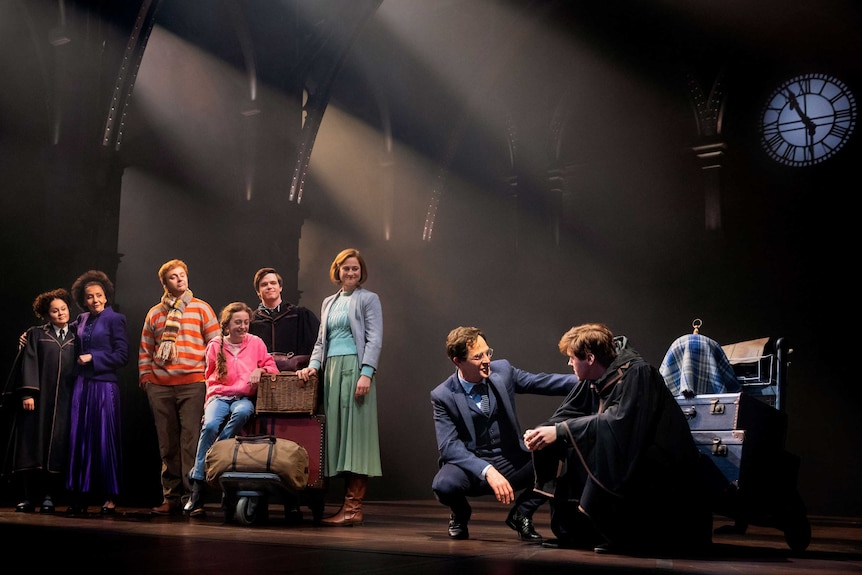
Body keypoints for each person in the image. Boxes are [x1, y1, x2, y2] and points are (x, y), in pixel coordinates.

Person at [524, 323, 713, 555]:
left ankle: (623, 536)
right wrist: (542, 431)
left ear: (590, 358)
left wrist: (562, 430)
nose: (569, 363)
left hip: (657, 460)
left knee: (593, 446)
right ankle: (579, 533)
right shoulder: (591, 380)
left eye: (572, 358)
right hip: (626, 447)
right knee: (563, 445)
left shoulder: (638, 373)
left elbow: (620, 422)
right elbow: (568, 414)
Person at [430, 326, 576, 542]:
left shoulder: (502, 370)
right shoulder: (443, 395)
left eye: (488, 353)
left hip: (510, 459)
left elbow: (542, 382)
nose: (486, 360)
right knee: (444, 485)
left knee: (561, 454)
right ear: (457, 361)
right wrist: (487, 470)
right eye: (477, 356)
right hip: (472, 466)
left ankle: (522, 513)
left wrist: (590, 376)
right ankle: (461, 514)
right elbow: (449, 446)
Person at [296, 248, 382, 527]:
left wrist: (366, 373)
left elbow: (374, 339)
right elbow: (321, 342)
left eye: (355, 268)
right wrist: (314, 366)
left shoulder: (369, 299)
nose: (351, 273)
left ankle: (353, 508)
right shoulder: (329, 302)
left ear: (361, 272)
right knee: (337, 438)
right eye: (346, 268)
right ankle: (342, 505)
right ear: (337, 270)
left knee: (356, 436)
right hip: (332, 374)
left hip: (355, 370)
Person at [138, 259, 220, 515]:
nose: (179, 280)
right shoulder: (155, 313)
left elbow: (216, 347)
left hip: (193, 384)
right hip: (161, 386)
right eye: (173, 277)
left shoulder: (201, 309)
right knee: (167, 444)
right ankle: (171, 497)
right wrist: (146, 379)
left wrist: (212, 380)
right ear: (164, 283)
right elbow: (146, 349)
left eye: (182, 275)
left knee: (191, 442)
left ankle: (192, 496)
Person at [185, 302, 279, 517]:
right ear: (227, 325)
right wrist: (208, 404)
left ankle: (213, 454)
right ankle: (198, 486)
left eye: (246, 322)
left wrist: (260, 369)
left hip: (243, 397)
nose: (243, 326)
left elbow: (272, 367)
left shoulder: (255, 342)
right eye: (238, 322)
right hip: (219, 396)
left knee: (243, 413)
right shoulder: (215, 345)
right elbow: (209, 378)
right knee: (209, 425)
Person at [7, 289, 76, 513]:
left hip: (66, 401)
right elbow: (29, 361)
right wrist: (28, 393)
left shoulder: (77, 336)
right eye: (54, 311)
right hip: (39, 400)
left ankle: (49, 497)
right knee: (31, 446)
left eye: (63, 309)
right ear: (46, 315)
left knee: (57, 448)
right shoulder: (36, 334)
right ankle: (27, 497)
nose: (60, 314)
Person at [66, 270, 129, 515]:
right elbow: (58, 329)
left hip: (105, 386)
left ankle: (110, 497)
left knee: (104, 439)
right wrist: (30, 335)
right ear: (84, 299)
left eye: (99, 295)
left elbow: (122, 355)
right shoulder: (80, 320)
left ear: (106, 295)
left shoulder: (116, 319)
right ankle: (79, 496)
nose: (95, 300)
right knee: (80, 439)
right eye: (90, 296)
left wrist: (94, 357)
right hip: (81, 386)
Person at [249, 267, 320, 371]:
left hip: (296, 378)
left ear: (280, 287)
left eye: (273, 283)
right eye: (264, 284)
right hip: (262, 378)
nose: (269, 287)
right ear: (258, 292)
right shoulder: (252, 321)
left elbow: (318, 346)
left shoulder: (301, 316)